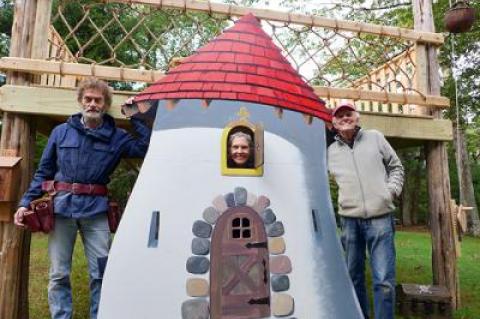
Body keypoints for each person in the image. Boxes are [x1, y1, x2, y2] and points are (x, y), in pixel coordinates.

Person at [13, 78, 151, 319]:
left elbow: (145, 146)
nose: (92, 104)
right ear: (80, 101)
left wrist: (135, 117)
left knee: (100, 272)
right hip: (62, 209)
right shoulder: (61, 133)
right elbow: (43, 173)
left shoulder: (117, 137)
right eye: (88, 99)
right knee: (58, 273)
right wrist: (25, 203)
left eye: (98, 100)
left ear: (106, 104)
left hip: (96, 212)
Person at [327, 102, 404, 319]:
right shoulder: (330, 151)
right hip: (349, 221)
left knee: (384, 280)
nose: (344, 118)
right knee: (354, 277)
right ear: (333, 122)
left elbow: (396, 166)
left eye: (348, 114)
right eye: (339, 116)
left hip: (381, 218)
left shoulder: (375, 137)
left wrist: (390, 191)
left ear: (357, 117)